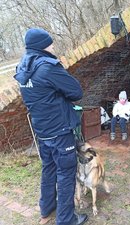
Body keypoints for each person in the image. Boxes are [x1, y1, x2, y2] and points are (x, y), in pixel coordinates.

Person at [14, 28, 88, 225]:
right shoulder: (48, 67)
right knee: (65, 174)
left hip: (42, 131)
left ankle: (47, 208)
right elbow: (76, 91)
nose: (53, 46)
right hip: (60, 131)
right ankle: (66, 220)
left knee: (48, 169)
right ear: (42, 45)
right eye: (50, 43)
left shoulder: (22, 67)